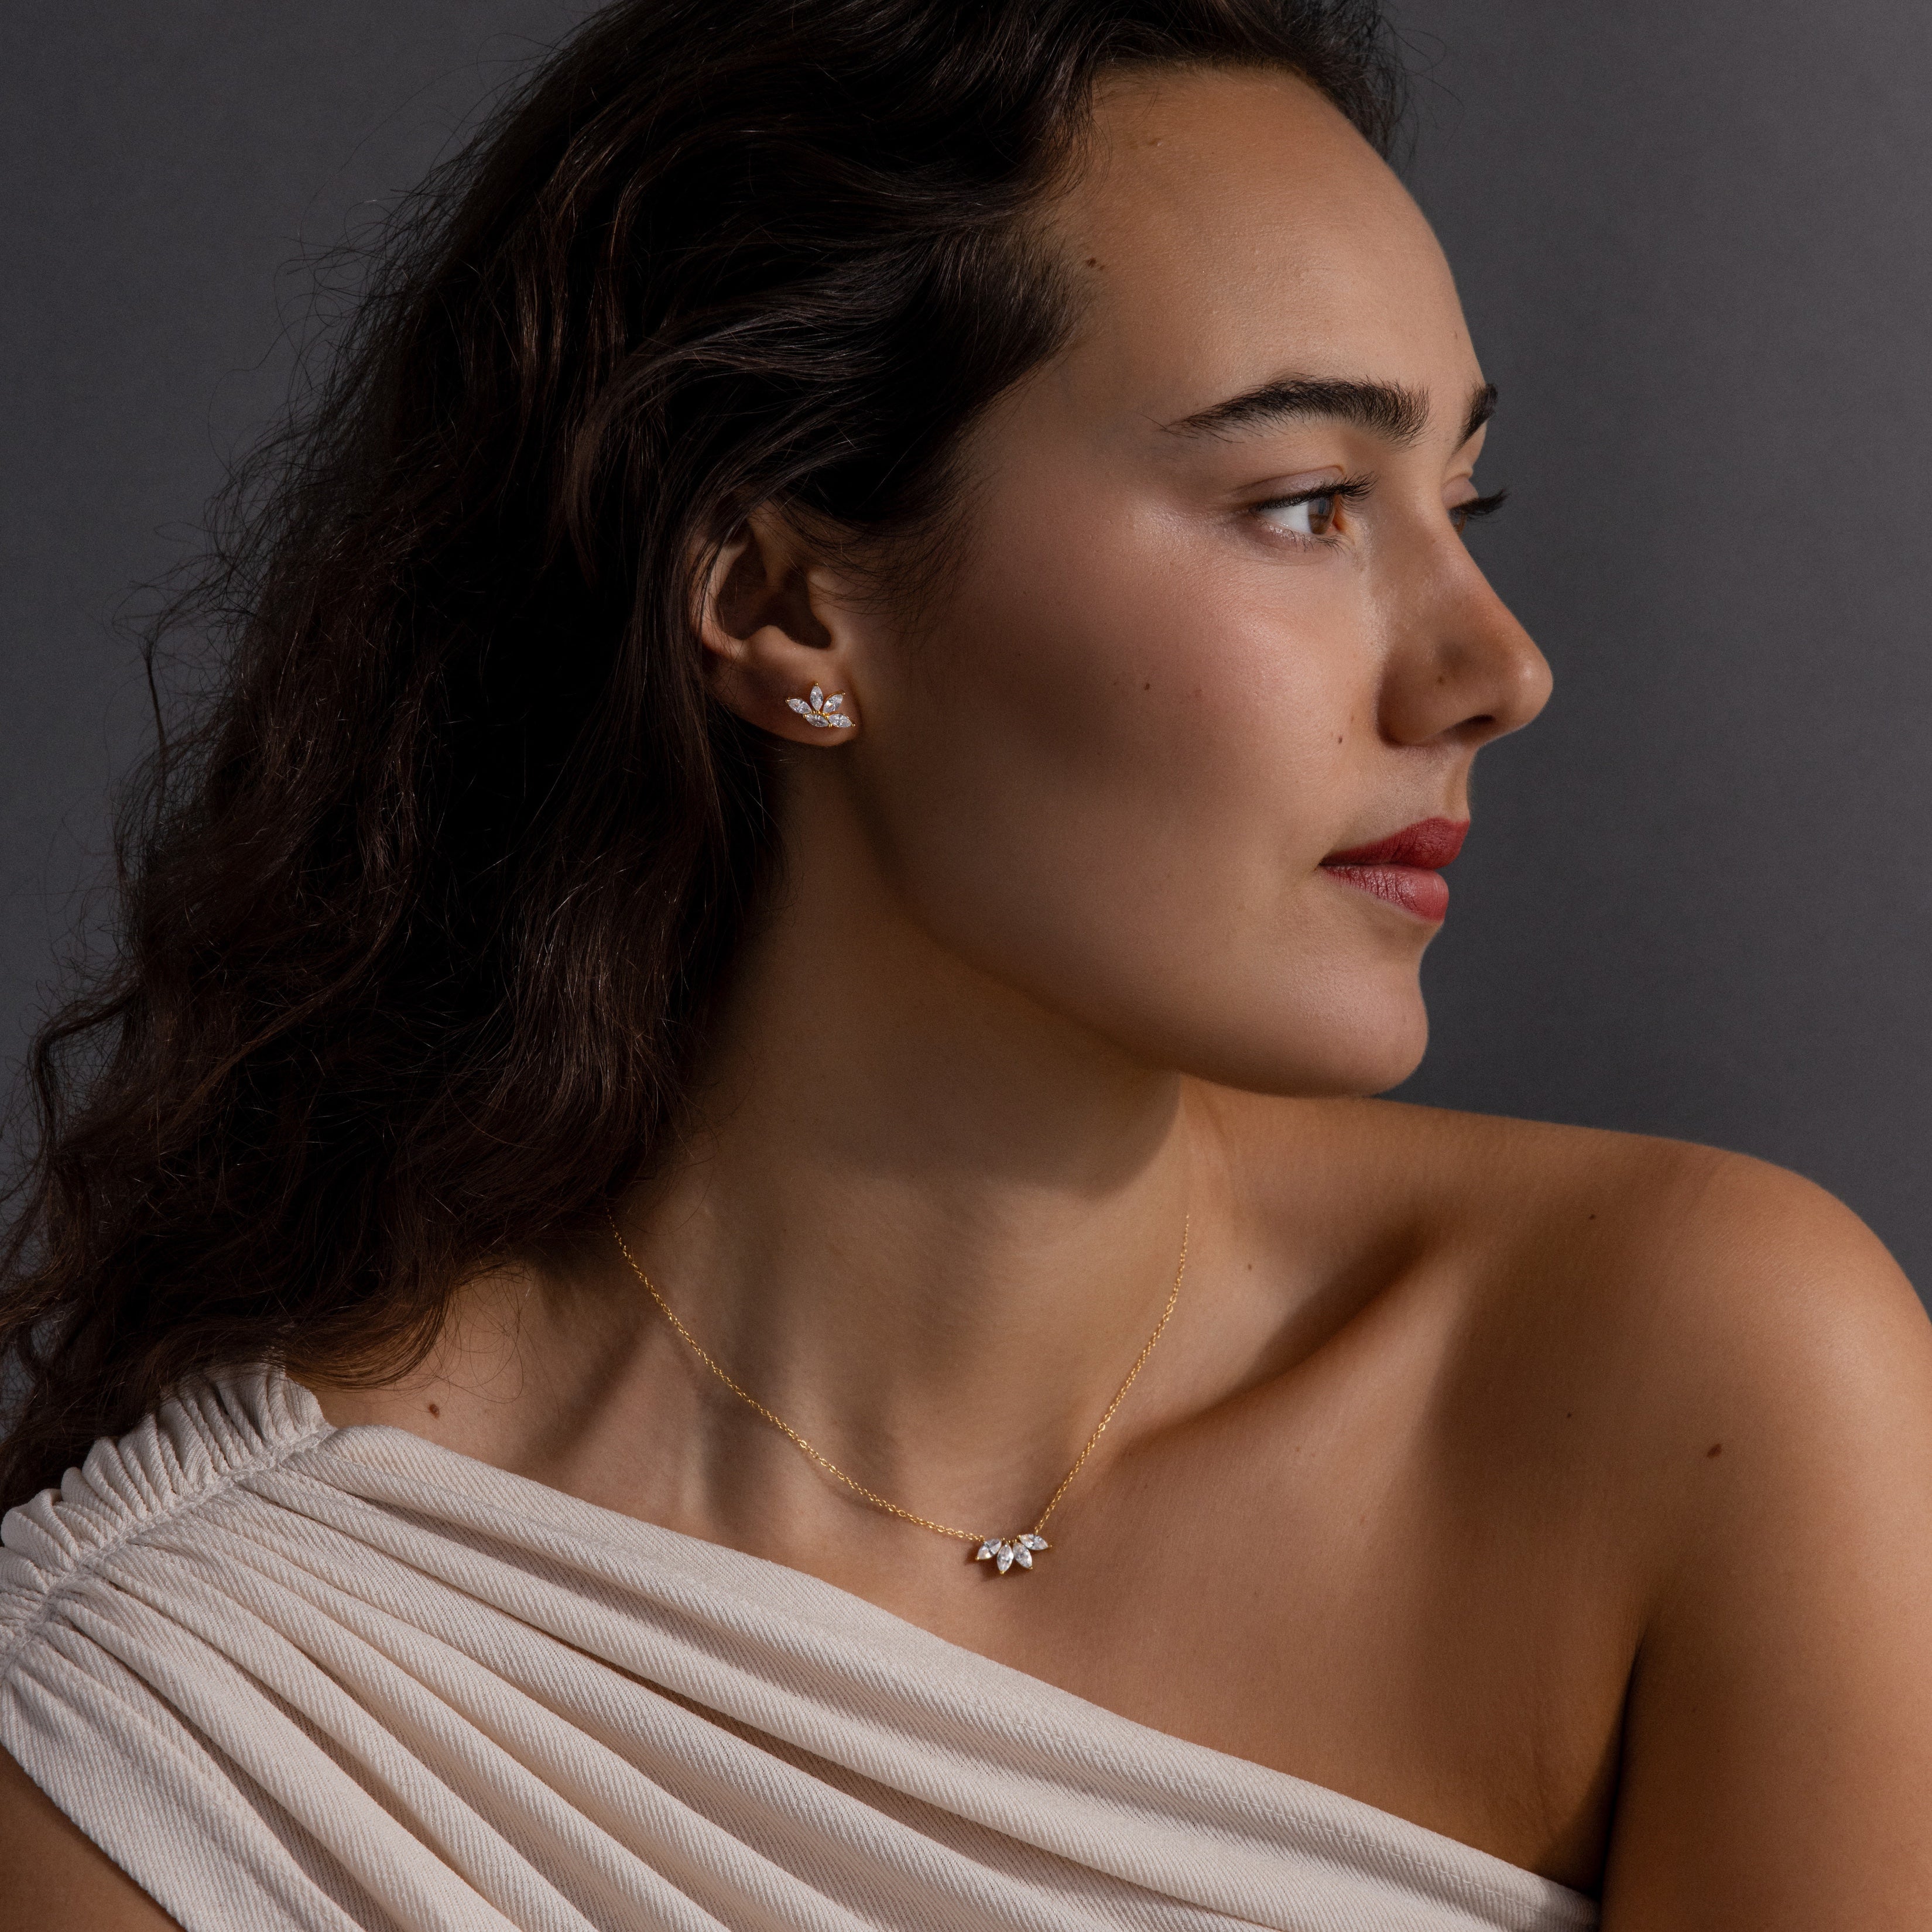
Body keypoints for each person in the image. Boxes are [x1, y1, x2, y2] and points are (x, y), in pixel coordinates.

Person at [4, 2, 1930, 1926]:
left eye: (1458, 500)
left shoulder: (1702, 1384)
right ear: (780, 602)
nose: (1492, 668)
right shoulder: (187, 1728)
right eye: (1303, 505)